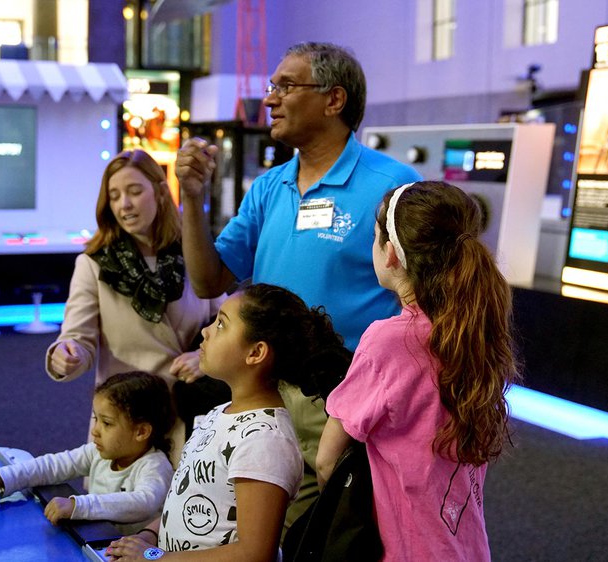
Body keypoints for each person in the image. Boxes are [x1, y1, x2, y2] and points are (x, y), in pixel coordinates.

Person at [174, 41, 422, 525]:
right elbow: (208, 281)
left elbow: (434, 297)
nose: (269, 99)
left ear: (334, 100)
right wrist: (192, 199)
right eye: (273, 87)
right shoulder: (270, 186)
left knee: (331, 532)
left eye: (286, 86)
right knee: (256, 530)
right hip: (262, 390)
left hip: (347, 396)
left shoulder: (391, 186)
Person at [316, 181, 521, 561]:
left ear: (391, 254)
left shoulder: (388, 341)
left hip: (407, 549)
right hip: (466, 546)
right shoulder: (472, 329)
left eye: (375, 237)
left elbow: (327, 459)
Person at [104, 284, 352, 562]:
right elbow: (190, 501)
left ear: (255, 353)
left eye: (221, 324)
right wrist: (150, 534)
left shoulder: (264, 439)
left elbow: (254, 553)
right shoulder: (219, 413)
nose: (206, 331)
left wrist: (153, 557)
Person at [45, 150, 224, 461]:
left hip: (188, 415)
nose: (124, 204)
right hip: (123, 424)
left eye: (134, 191)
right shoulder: (94, 264)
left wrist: (203, 356)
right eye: (114, 196)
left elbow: (222, 323)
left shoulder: (193, 253)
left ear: (159, 190)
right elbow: (78, 339)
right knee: (119, 507)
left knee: (184, 506)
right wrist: (66, 355)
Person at [0, 371, 175, 534]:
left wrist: (78, 505)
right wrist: (2, 477)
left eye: (107, 423)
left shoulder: (155, 465)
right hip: (97, 541)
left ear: (141, 431)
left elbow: (142, 503)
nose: (95, 430)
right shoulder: (97, 453)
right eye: (96, 419)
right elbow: (51, 466)